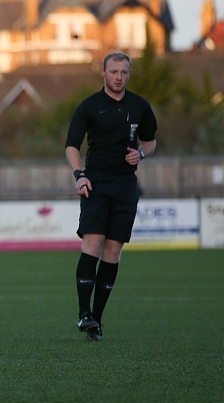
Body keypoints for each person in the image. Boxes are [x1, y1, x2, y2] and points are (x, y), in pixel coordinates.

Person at [65, 52, 157, 342]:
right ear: (103, 73)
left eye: (124, 72)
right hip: (96, 182)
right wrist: (79, 175)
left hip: (125, 186)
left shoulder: (140, 106)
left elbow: (151, 142)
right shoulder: (90, 106)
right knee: (92, 244)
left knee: (113, 252)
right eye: (114, 71)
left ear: (130, 74)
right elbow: (71, 146)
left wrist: (140, 153)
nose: (119, 77)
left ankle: (97, 321)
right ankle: (83, 313)